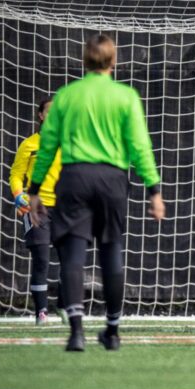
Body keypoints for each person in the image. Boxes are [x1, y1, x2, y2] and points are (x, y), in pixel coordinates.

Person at [28, 33, 165, 352]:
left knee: (73, 255)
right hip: (111, 179)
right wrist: (153, 189)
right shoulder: (125, 96)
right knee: (110, 252)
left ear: (84, 61)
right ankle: (112, 331)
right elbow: (140, 146)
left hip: (74, 177)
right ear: (113, 62)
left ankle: (76, 331)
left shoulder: (65, 95)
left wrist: (35, 189)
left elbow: (48, 146)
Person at [9, 99, 65, 325]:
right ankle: (41, 312)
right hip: (36, 209)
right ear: (41, 116)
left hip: (66, 210)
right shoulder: (29, 145)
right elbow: (16, 174)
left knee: (70, 260)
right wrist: (18, 195)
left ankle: (65, 306)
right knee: (41, 260)